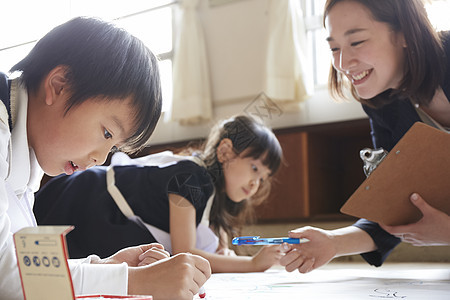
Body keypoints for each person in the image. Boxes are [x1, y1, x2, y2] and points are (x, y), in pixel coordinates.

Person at [0, 17, 210, 300]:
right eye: (107, 132)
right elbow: (5, 278)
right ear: (59, 85)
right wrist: (132, 280)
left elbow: (25, 269)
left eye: (113, 148)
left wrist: (105, 266)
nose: (100, 158)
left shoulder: (27, 150)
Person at [280, 0, 450, 274]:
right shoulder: (384, 104)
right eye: (334, 48)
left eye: (356, 42)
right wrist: (332, 243)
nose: (342, 63)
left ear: (405, 32)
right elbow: (397, 205)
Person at [34, 114, 284, 273]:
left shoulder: (214, 200)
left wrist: (225, 253)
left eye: (263, 178)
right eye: (254, 168)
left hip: (107, 212)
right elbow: (185, 253)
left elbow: (205, 253)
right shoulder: (193, 178)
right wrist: (251, 264)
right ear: (226, 152)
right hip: (88, 201)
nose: (256, 183)